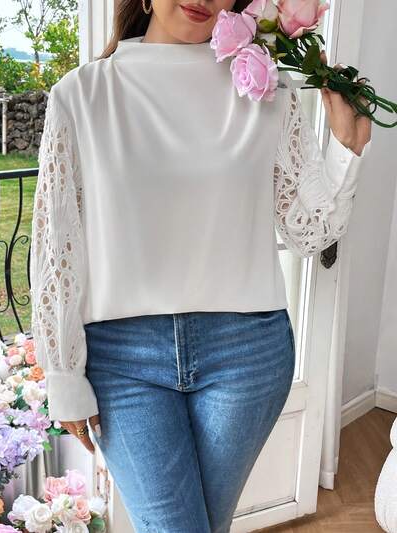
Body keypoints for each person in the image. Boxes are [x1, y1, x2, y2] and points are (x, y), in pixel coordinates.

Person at [29, 0, 372, 531]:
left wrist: (346, 149)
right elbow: (57, 246)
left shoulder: (266, 88)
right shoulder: (81, 94)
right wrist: (62, 372)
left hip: (247, 353)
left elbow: (309, 231)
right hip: (122, 361)